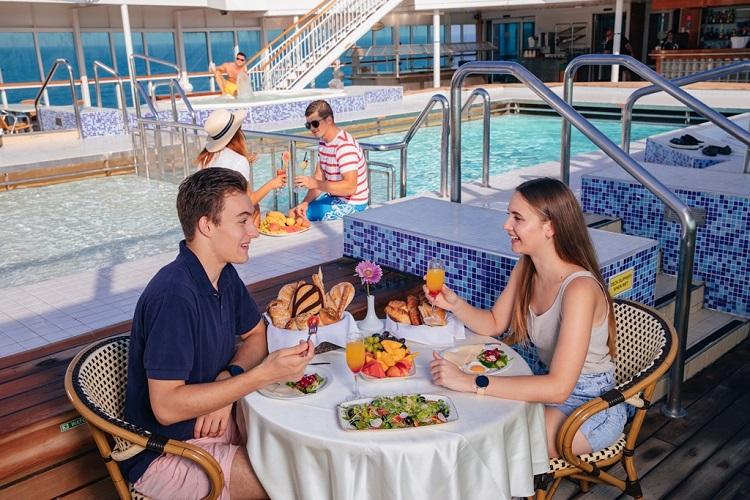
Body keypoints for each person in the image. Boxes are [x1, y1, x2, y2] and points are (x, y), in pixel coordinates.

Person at [122, 167, 315, 499]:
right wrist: (259, 376)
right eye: (243, 221)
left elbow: (257, 335)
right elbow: (165, 407)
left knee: (313, 451)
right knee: (298, 481)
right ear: (207, 226)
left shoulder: (222, 274)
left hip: (216, 426)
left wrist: (229, 379)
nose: (254, 231)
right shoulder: (174, 297)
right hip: (166, 452)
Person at [427, 177, 626, 459]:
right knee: (468, 424)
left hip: (592, 406)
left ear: (550, 227)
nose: (506, 225)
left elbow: (559, 388)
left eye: (517, 218)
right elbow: (494, 323)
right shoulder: (527, 267)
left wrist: (469, 381)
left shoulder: (579, 289)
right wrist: (454, 304)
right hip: (547, 389)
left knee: (496, 445)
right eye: (509, 215)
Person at [197, 109, 286, 225]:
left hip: (210, 217)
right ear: (237, 133)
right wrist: (271, 184)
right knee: (255, 208)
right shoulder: (239, 161)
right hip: (227, 223)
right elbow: (250, 200)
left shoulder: (204, 158)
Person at [289, 100, 369, 221]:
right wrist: (305, 203)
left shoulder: (344, 146)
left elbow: (350, 187)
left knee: (297, 218)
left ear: (329, 120)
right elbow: (319, 177)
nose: (312, 128)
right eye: (308, 125)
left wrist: (315, 183)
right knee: (294, 213)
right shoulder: (323, 142)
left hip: (354, 204)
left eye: (315, 123)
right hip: (335, 198)